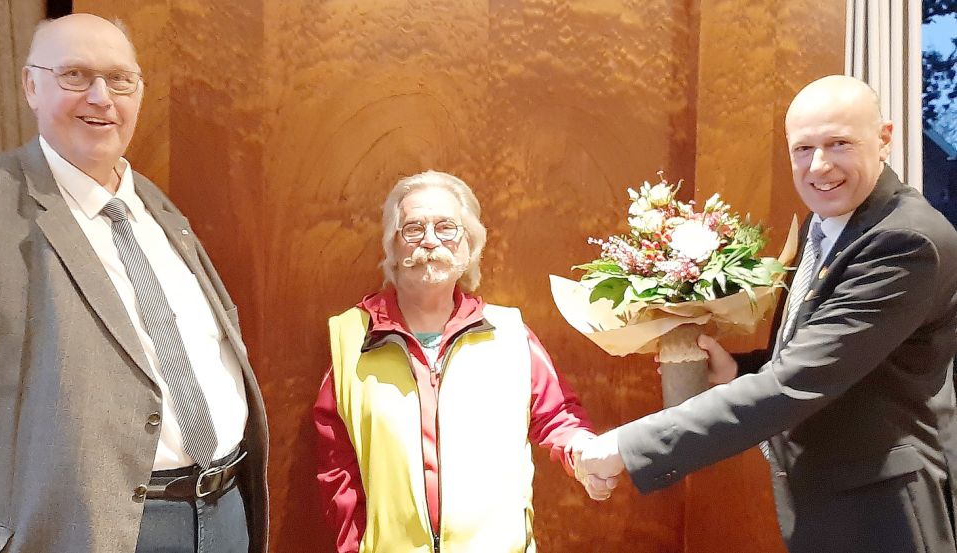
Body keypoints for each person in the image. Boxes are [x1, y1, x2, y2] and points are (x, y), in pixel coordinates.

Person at [574, 75, 957, 553]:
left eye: (839, 143)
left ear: (884, 139)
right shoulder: (831, 224)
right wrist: (738, 368)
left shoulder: (905, 241)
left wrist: (627, 446)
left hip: (883, 514)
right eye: (802, 149)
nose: (819, 166)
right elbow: (826, 349)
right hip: (831, 502)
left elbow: (800, 378)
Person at [0, 14, 268, 553]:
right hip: (85, 531)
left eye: (120, 79)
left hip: (223, 513)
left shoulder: (156, 206)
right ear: (30, 85)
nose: (101, 97)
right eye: (75, 76)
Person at [314, 170, 609, 552]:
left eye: (447, 228)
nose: (430, 241)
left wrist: (582, 452)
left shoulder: (509, 334)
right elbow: (338, 468)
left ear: (469, 245)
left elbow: (556, 417)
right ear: (393, 246)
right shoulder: (351, 338)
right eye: (414, 229)